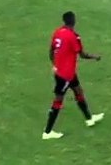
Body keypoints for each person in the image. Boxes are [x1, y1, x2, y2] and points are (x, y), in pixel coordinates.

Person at [43, 11, 103, 140]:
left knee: (78, 91)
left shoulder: (58, 32)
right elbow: (82, 54)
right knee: (58, 101)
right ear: (74, 21)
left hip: (64, 72)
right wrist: (95, 57)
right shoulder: (73, 36)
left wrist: (54, 64)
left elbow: (51, 50)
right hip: (65, 75)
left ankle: (89, 118)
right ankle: (47, 132)